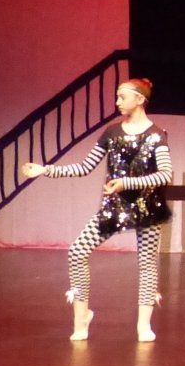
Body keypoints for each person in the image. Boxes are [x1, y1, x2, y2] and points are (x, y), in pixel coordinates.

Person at [21, 78, 172, 342]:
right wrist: (46, 170)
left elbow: (165, 175)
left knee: (147, 263)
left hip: (147, 207)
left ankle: (143, 325)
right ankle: (82, 318)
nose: (117, 102)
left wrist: (127, 182)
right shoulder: (111, 133)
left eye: (121, 97)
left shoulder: (156, 135)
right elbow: (85, 166)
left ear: (139, 99)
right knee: (77, 251)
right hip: (114, 207)